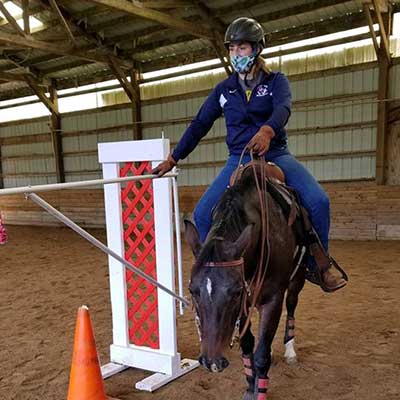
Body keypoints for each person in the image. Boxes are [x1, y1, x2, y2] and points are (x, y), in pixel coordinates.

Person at [153, 17, 346, 292]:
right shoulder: (224, 90)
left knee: (318, 201)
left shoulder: (276, 81)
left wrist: (267, 131)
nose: (235, 54)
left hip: (276, 154)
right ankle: (215, 274)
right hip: (239, 158)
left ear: (257, 48)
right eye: (232, 48)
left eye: (241, 48)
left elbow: (283, 108)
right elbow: (200, 124)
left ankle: (319, 266)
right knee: (203, 215)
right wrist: (174, 158)